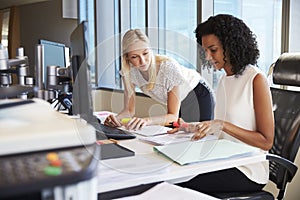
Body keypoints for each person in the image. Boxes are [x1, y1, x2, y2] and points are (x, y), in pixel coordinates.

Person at [172, 14, 274, 196]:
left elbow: (266, 141)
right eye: (205, 51)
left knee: (179, 185)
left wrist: (222, 125)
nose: (208, 57)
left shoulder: (255, 79)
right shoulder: (224, 80)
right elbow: (222, 129)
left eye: (213, 50)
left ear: (231, 46)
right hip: (222, 158)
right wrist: (194, 128)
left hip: (247, 170)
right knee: (171, 174)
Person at [104, 29, 214, 130]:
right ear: (127, 57)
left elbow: (172, 117)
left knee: (199, 134)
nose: (142, 61)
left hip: (197, 94)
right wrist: (116, 119)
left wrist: (146, 120)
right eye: (134, 57)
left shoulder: (168, 68)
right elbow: (129, 111)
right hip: (178, 103)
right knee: (177, 135)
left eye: (145, 53)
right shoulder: (128, 72)